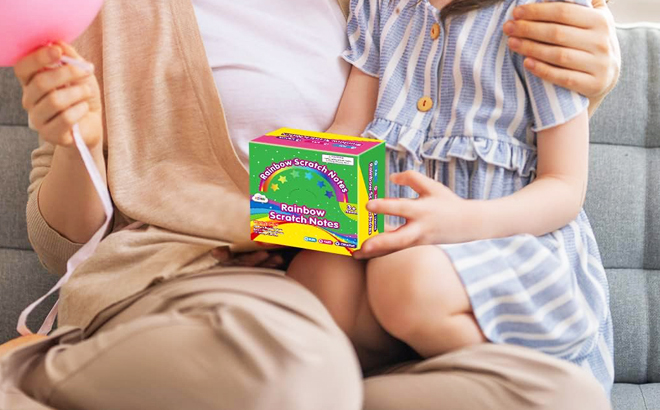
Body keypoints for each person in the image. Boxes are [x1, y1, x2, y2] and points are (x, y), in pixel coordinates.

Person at [0, 0, 620, 409]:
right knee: (292, 364)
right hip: (209, 281)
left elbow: (483, 99)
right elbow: (62, 242)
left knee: (565, 398)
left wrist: (594, 61)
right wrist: (82, 137)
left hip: (360, 284)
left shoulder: (374, 5)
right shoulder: (111, 15)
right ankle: (27, 376)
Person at [288, 0, 614, 395]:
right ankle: (406, 380)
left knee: (408, 280)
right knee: (314, 276)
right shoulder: (381, 7)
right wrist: (292, 206)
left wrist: (461, 221)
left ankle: (534, 389)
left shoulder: (539, 13)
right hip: (393, 241)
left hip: (506, 243)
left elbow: (564, 187)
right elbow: (346, 132)